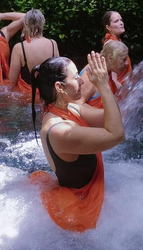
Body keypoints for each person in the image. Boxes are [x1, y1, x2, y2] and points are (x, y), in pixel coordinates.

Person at [29, 53, 125, 232]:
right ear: (59, 87)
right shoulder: (58, 130)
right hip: (80, 211)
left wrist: (104, 86)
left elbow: (113, 119)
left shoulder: (71, 108)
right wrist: (103, 86)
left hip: (87, 196)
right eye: (76, 77)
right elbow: (117, 134)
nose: (82, 81)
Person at [9, 9, 59, 92]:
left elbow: (12, 81)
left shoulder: (19, 48)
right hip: (48, 94)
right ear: (42, 23)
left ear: (25, 24)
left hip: (27, 97)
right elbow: (58, 72)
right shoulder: (53, 44)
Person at [77, 40, 129, 109]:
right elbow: (76, 105)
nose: (127, 63)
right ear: (110, 59)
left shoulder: (111, 71)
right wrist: (102, 115)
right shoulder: (90, 74)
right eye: (124, 60)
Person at [101, 11, 132, 86]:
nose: (121, 23)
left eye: (121, 20)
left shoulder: (117, 41)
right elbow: (113, 79)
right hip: (122, 89)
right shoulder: (110, 44)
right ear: (108, 27)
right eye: (116, 21)